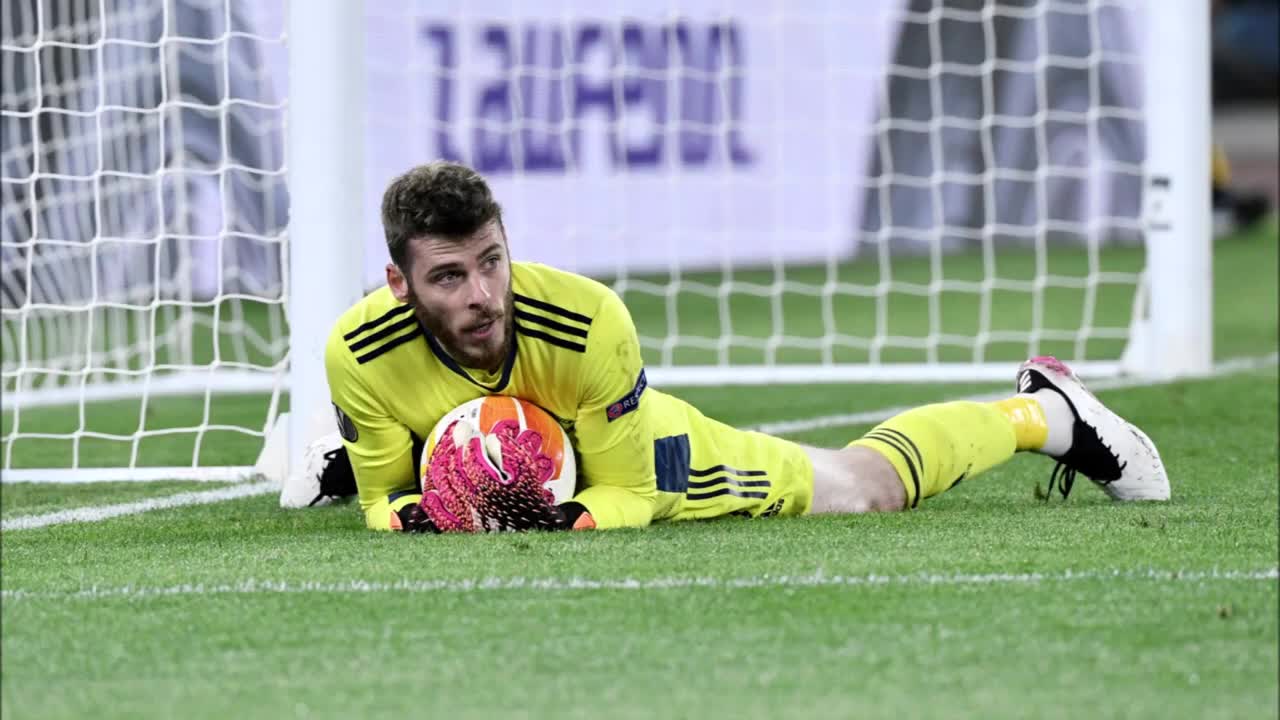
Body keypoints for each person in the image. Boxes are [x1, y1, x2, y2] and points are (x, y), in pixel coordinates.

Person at [297, 161, 1168, 532]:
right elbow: (385, 506)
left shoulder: (587, 323)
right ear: (398, 283)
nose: (484, 295)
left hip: (652, 457)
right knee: (386, 471)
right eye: (450, 277)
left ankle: (1041, 413)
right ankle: (360, 449)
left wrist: (575, 518)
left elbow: (629, 491)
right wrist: (409, 506)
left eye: (494, 262)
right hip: (468, 439)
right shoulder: (358, 350)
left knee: (862, 493)